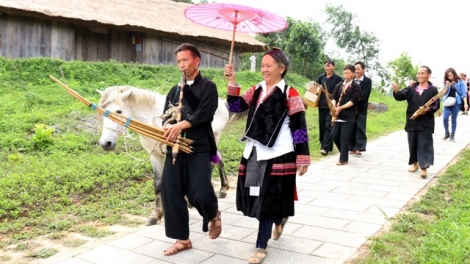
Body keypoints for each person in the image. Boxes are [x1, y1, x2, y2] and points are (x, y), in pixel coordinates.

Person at [224, 48, 310, 264]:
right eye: (262, 65)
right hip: (254, 151)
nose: (264, 69)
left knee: (268, 198)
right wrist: (232, 81)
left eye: (269, 65)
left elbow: (299, 126)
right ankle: (280, 218)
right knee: (255, 195)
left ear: (282, 68)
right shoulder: (255, 90)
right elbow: (234, 107)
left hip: (279, 153)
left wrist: (303, 156)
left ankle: (261, 246)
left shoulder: (291, 94)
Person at [160, 43, 221, 256]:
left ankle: (213, 214)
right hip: (175, 148)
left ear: (197, 60)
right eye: (178, 62)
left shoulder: (209, 87)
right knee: (171, 190)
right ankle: (183, 240)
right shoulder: (175, 90)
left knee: (200, 192)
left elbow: (204, 114)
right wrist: (167, 126)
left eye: (185, 60)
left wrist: (180, 125)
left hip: (199, 147)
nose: (181, 65)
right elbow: (166, 116)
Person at [392, 66, 440, 178]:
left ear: (429, 75)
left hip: (425, 122)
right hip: (412, 120)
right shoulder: (411, 88)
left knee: (424, 144)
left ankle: (424, 168)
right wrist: (396, 90)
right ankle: (415, 164)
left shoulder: (432, 89)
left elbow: (436, 104)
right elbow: (400, 96)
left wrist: (428, 109)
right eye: (418, 73)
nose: (419, 75)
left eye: (423, 73)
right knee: (412, 143)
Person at [331, 64, 362, 165]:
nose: (346, 75)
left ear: (353, 74)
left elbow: (354, 101)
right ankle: (344, 153)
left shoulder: (356, 86)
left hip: (348, 116)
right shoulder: (339, 85)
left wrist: (341, 108)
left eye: (348, 73)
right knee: (334, 135)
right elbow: (333, 97)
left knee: (344, 138)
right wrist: (334, 106)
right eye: (344, 73)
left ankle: (343, 159)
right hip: (337, 115)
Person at [316, 60, 343, 155]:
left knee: (329, 125)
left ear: (334, 67)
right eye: (326, 66)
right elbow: (316, 88)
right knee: (322, 125)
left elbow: (341, 92)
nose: (328, 68)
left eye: (330, 66)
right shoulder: (321, 77)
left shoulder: (338, 79)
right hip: (321, 105)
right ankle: (327, 145)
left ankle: (325, 148)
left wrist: (337, 105)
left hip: (331, 106)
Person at [349, 61, 372, 156]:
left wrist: (353, 100)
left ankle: (359, 147)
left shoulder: (367, 81)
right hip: (351, 108)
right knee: (352, 127)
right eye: (355, 69)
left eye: (358, 69)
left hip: (361, 108)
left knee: (360, 127)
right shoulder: (351, 80)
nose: (357, 71)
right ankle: (352, 147)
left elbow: (364, 95)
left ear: (363, 69)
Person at [442, 68, 468, 141]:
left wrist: (465, 104)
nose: (449, 77)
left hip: (456, 102)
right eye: (448, 76)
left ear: (454, 74)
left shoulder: (460, 82)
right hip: (447, 102)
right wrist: (447, 86)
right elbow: (443, 93)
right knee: (445, 118)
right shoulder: (446, 82)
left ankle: (452, 134)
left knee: (453, 119)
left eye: (450, 75)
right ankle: (447, 132)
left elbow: (463, 94)